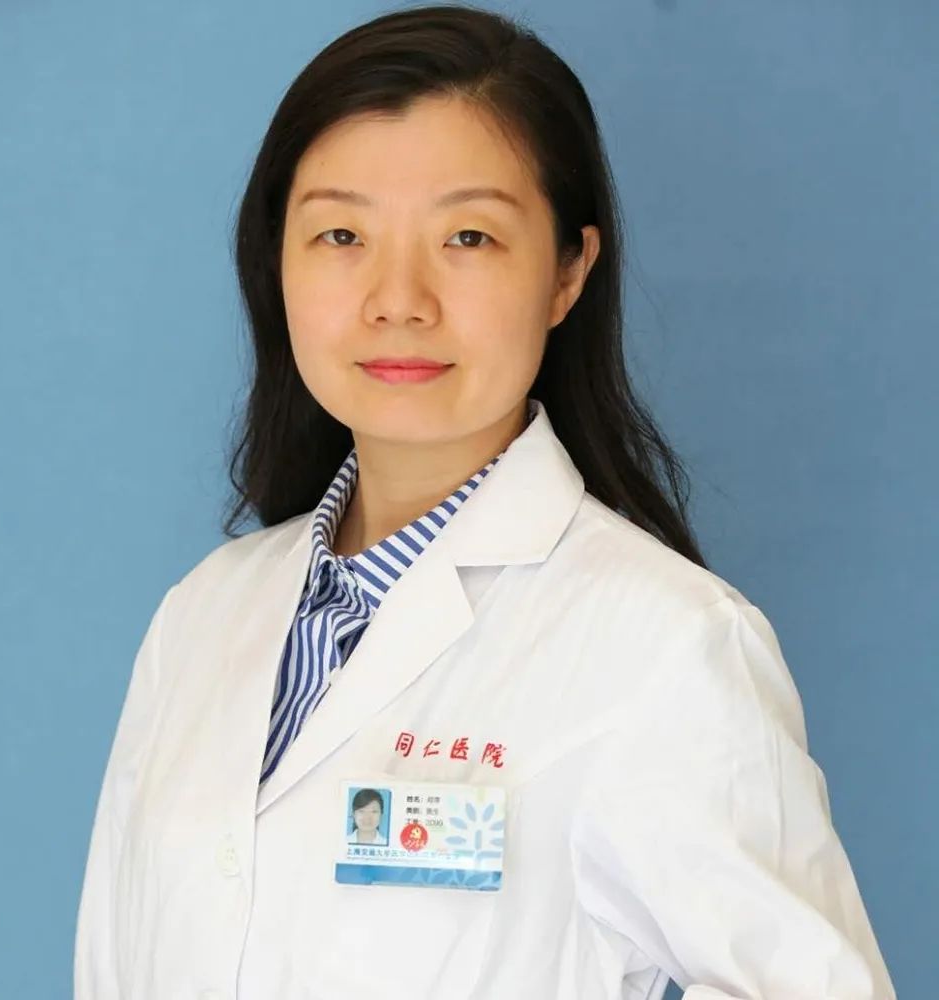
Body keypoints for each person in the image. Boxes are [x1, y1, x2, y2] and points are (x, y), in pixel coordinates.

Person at [73, 4, 897, 998]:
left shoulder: (667, 645)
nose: (398, 299)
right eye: (341, 234)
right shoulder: (201, 618)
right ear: (274, 260)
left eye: (467, 236)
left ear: (567, 272)